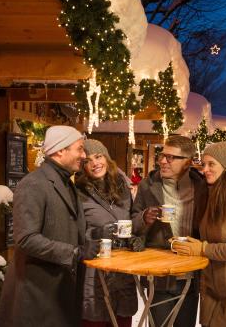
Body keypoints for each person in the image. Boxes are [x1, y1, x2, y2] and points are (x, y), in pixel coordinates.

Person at [0, 126, 100, 327]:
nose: (84, 155)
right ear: (60, 150)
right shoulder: (33, 184)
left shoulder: (67, 183)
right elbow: (26, 239)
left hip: (58, 294)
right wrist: (74, 252)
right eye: (79, 149)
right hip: (37, 296)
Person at [173, 142, 226, 327]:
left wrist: (202, 249)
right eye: (204, 164)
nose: (205, 170)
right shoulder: (212, 194)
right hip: (211, 288)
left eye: (211, 164)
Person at [133, 135, 208, 327]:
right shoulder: (147, 186)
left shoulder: (201, 187)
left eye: (171, 157)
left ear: (188, 162)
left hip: (190, 274)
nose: (163, 161)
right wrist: (143, 218)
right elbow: (131, 222)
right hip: (159, 274)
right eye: (162, 155)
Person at [76, 139, 142, 327]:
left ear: (106, 157)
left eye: (98, 156)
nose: (95, 163)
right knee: (94, 320)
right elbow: (74, 233)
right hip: (94, 269)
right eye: (88, 161)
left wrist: (135, 239)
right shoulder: (78, 193)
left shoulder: (124, 189)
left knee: (121, 319)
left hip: (122, 270)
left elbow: (131, 223)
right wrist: (98, 232)